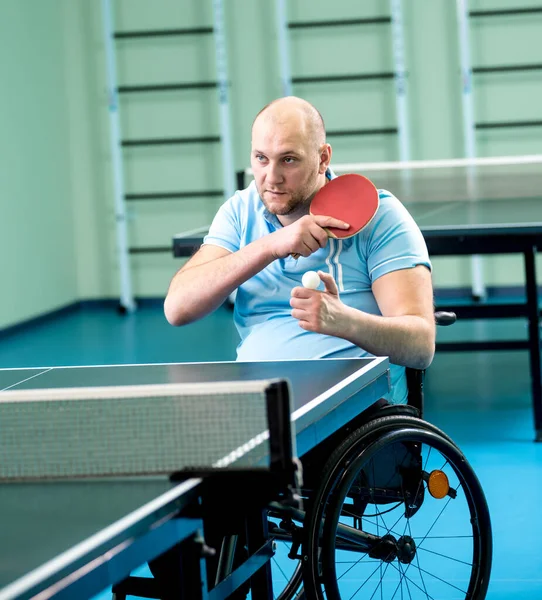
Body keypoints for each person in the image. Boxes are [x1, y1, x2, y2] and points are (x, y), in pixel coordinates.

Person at [165, 96, 435, 404]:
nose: (271, 177)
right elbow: (177, 308)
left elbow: (420, 345)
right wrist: (269, 246)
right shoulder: (240, 212)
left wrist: (346, 322)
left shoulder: (382, 217)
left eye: (288, 159)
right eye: (261, 158)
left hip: (355, 413)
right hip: (261, 403)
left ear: (323, 158)